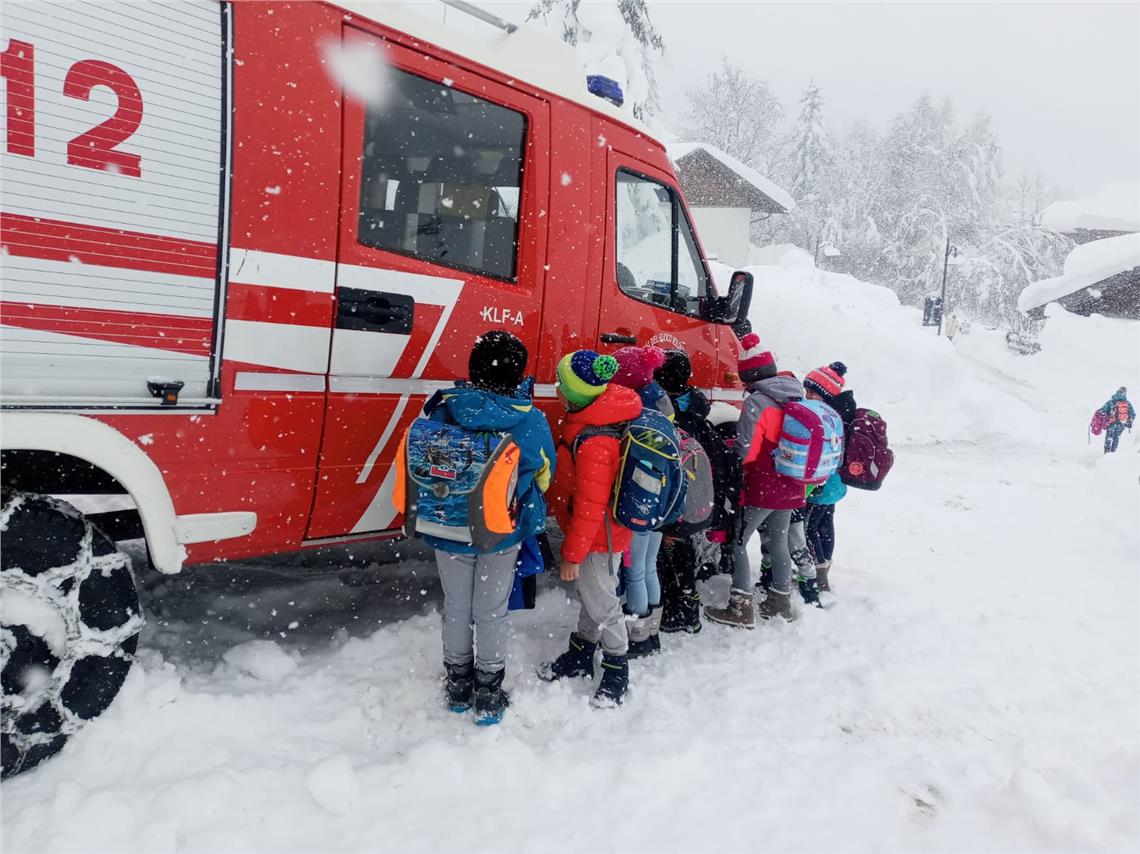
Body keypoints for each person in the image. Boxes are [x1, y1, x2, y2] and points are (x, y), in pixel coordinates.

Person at [418, 331, 555, 725]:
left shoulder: (444, 408)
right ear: (518, 373)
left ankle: (458, 685)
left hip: (449, 524)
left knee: (456, 606)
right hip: (500, 530)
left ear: (473, 367)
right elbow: (544, 475)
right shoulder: (530, 418)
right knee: (491, 611)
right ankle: (489, 693)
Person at [538, 349, 643, 708]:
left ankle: (616, 669)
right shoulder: (592, 420)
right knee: (594, 596)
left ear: (575, 394)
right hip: (597, 534)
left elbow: (590, 507)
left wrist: (571, 555)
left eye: (560, 384)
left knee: (604, 604)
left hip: (598, 537)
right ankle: (582, 653)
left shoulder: (595, 442)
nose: (555, 389)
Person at [706, 334, 805, 627]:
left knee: (738, 540)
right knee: (779, 541)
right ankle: (780, 602)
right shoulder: (794, 395)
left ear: (748, 375)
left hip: (765, 485)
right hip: (791, 481)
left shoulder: (758, 402)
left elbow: (746, 451)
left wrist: (730, 457)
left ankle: (740, 608)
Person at [654, 348, 728, 634]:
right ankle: (689, 606)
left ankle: (672, 610)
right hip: (695, 499)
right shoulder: (698, 414)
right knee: (682, 548)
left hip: (671, 498)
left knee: (665, 553)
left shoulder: (665, 414)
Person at [610, 345, 670, 657]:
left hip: (640, 500)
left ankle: (637, 636)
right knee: (648, 567)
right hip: (661, 500)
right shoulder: (661, 401)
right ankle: (652, 632)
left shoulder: (636, 409)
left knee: (634, 571)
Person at [802, 362, 856, 593]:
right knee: (824, 524)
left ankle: (817, 574)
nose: (807, 396)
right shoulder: (842, 411)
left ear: (825, 394)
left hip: (822, 482)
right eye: (806, 391)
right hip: (835, 482)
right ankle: (824, 568)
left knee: (807, 528)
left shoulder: (827, 417)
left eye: (812, 392)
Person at [1098, 387, 1135, 454]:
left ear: (1118, 391)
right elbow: (1133, 414)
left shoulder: (1111, 401)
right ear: (1125, 393)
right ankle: (1113, 453)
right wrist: (1128, 420)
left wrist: (1104, 415)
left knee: (1109, 438)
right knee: (1116, 438)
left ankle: (1106, 453)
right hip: (1121, 424)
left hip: (1111, 423)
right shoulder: (1127, 403)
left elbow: (1102, 411)